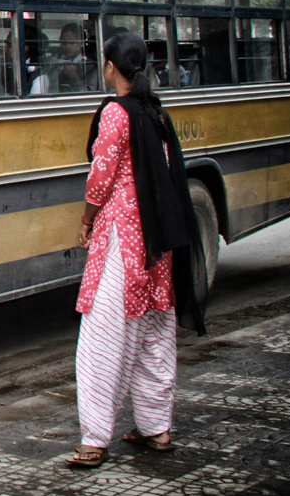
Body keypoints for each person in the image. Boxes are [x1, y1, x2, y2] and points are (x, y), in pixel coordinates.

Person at [69, 32, 207, 468]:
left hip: (123, 240)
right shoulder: (155, 111)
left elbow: (101, 176)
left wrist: (87, 218)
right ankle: (155, 428)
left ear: (110, 66)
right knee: (154, 333)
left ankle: (95, 438)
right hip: (158, 240)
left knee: (103, 337)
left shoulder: (115, 113)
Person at [57, 23, 92, 93]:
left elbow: (88, 93)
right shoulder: (57, 62)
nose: (67, 46)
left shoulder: (90, 65)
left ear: (82, 43)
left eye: (72, 43)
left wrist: (73, 77)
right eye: (64, 43)